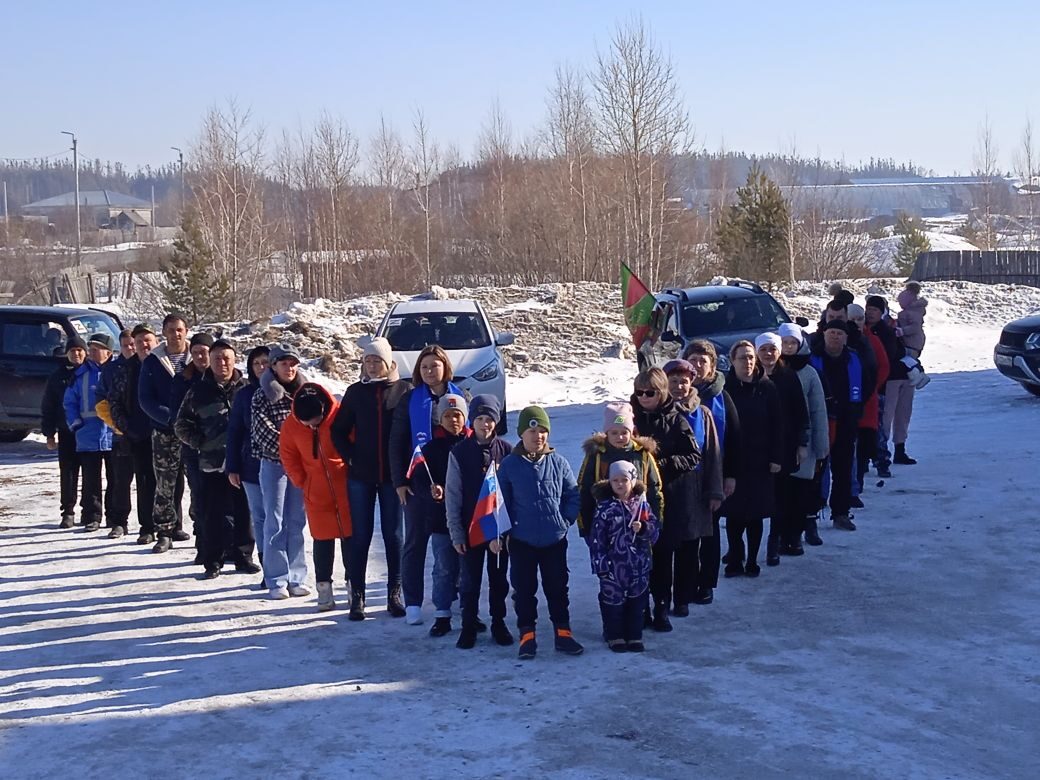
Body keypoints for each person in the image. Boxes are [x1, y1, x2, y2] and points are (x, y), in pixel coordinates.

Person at [331, 337, 410, 620]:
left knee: (394, 535)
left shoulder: (403, 390)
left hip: (392, 476)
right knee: (360, 535)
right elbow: (337, 430)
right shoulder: (355, 393)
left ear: (389, 362)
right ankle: (358, 595)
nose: (373, 365)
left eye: (378, 360)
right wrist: (350, 456)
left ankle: (395, 593)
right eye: (368, 360)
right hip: (361, 475)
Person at [497, 405, 582, 660]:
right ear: (522, 433)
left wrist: (564, 520)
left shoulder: (559, 462)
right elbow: (501, 502)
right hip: (522, 540)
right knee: (524, 589)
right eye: (533, 431)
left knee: (557, 587)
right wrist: (504, 532)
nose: (538, 437)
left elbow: (572, 495)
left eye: (543, 431)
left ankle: (563, 632)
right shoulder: (510, 465)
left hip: (554, 539)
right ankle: (527, 634)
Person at [389, 344, 463, 625]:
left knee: (452, 542)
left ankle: (451, 594)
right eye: (424, 367)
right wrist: (399, 481)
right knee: (415, 543)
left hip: (453, 484)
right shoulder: (410, 399)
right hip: (419, 482)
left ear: (445, 367)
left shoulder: (460, 396)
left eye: (435, 365)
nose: (430, 371)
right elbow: (396, 442)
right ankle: (413, 603)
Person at [175, 340, 260, 579]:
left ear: (235, 360)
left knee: (244, 512)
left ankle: (244, 557)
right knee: (212, 513)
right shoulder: (198, 391)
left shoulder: (245, 390)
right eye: (216, 359)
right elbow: (181, 424)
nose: (221, 363)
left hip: (243, 463)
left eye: (226, 358)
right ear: (209, 362)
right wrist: (200, 443)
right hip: (211, 463)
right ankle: (213, 560)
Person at [631, 367, 701, 630]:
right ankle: (640, 608)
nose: (644, 397)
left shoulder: (676, 420)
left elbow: (693, 455)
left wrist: (661, 464)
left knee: (662, 556)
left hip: (668, 497)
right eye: (640, 393)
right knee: (639, 556)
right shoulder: (630, 418)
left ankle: (662, 606)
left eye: (650, 393)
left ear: (661, 393)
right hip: (635, 498)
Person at [445, 394, 514, 649]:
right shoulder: (460, 453)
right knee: (470, 581)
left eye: (490, 419)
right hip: (469, 527)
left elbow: (511, 492)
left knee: (498, 580)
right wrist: (456, 532)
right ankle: (468, 624)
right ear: (471, 421)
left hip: (497, 528)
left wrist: (508, 532)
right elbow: (453, 494)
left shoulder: (506, 451)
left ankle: (499, 622)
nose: (485, 424)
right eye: (480, 418)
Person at [280, 383, 353, 611]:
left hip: (346, 487)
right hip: (316, 490)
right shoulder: (291, 425)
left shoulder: (340, 414)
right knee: (322, 540)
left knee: (351, 538)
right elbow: (288, 455)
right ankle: (324, 589)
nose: (311, 425)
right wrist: (303, 481)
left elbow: (355, 443)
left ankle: (354, 585)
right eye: (307, 423)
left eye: (315, 421)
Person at [660, 360, 724, 614]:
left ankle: (683, 597)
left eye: (684, 381)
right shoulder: (658, 412)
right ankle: (662, 597)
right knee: (665, 546)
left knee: (690, 546)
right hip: (665, 486)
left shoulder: (702, 413)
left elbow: (713, 455)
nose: (678, 386)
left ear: (692, 383)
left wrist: (714, 490)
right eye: (673, 381)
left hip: (694, 487)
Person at [408, 394, 472, 637]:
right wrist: (431, 491)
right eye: (447, 415)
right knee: (444, 568)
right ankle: (442, 614)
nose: (453, 420)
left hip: (469, 519)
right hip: (440, 519)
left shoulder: (472, 445)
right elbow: (420, 479)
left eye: (457, 415)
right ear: (440, 418)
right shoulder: (430, 449)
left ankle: (469, 611)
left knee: (469, 570)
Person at [252, 344, 310, 600]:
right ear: (273, 366)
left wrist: (303, 449)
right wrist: (291, 446)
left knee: (297, 521)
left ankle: (297, 577)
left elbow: (314, 426)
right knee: (274, 522)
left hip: (301, 466)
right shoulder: (261, 395)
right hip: (273, 464)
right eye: (284, 363)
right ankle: (276, 578)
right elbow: (263, 432)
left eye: (293, 363)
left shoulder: (306, 393)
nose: (290, 368)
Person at [721, 341, 782, 577]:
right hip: (734, 460)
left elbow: (778, 425)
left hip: (760, 460)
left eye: (750, 357)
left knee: (755, 514)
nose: (747, 362)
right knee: (735, 514)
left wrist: (776, 456)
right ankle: (736, 556)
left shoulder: (767, 388)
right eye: (741, 358)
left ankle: (753, 560)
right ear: (732, 361)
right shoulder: (725, 389)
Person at [590, 460, 660, 653]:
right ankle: (614, 635)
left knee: (637, 602)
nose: (620, 484)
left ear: (633, 480)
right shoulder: (605, 508)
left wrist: (644, 528)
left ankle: (634, 635)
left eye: (624, 480)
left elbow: (654, 533)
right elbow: (597, 539)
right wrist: (600, 564)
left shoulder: (642, 506)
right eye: (615, 480)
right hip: (613, 566)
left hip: (638, 566)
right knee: (613, 602)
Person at [138, 313, 193, 553]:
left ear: (186, 330)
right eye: (171, 330)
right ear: (164, 333)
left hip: (195, 432)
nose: (175, 334)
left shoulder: (198, 357)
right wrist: (170, 418)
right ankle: (164, 530)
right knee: (165, 483)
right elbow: (145, 398)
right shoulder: (153, 361)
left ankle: (202, 527)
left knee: (199, 483)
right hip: (165, 431)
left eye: (179, 329)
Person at [575, 400, 663, 548]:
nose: (619, 437)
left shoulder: (641, 455)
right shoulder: (597, 455)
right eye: (614, 432)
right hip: (606, 527)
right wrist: (586, 527)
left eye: (624, 432)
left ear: (631, 431)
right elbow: (584, 489)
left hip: (637, 525)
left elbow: (654, 488)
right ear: (606, 432)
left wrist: (655, 524)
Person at [755, 333, 809, 566]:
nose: (768, 354)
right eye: (764, 349)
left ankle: (775, 541)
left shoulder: (788, 377)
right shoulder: (749, 376)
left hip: (784, 445)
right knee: (754, 497)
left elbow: (801, 413)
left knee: (782, 496)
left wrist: (802, 443)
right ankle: (742, 548)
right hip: (755, 447)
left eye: (772, 349)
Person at [778, 323, 829, 550]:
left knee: (800, 492)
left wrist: (821, 444)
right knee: (781, 493)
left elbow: (818, 410)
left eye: (792, 343)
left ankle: (795, 536)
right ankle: (779, 536)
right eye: (784, 343)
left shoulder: (809, 373)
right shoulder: (771, 371)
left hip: (803, 442)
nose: (788, 347)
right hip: (778, 442)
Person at [810, 322, 865, 531]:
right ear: (824, 334)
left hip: (845, 421)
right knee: (816, 470)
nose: (835, 337)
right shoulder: (813, 359)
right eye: (831, 332)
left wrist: (854, 414)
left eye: (839, 333)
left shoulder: (853, 359)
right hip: (819, 421)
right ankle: (811, 513)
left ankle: (840, 512)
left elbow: (865, 386)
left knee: (843, 469)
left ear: (845, 337)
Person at [108, 324, 159, 544]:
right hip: (137, 434)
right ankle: (147, 527)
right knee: (144, 481)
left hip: (165, 432)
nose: (143, 345)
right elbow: (114, 402)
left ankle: (172, 525)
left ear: (155, 341)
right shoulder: (125, 369)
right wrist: (126, 427)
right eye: (138, 342)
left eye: (147, 340)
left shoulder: (164, 364)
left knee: (172, 482)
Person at [226, 345, 270, 585]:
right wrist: (232, 466)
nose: (262, 367)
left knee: (282, 519)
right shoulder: (244, 394)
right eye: (257, 363)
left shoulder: (286, 390)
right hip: (250, 467)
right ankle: (269, 570)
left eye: (266, 362)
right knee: (261, 519)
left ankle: (287, 571)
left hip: (283, 467)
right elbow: (234, 431)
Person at [63, 333, 115, 532]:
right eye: (91, 348)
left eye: (96, 349)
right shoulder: (81, 375)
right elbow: (70, 401)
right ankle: (92, 516)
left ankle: (114, 517)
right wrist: (75, 423)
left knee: (115, 480)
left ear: (108, 352)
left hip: (113, 435)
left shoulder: (116, 371)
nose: (91, 352)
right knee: (91, 480)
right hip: (88, 435)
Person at [170, 332, 213, 562]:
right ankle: (203, 544)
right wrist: (197, 440)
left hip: (221, 449)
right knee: (200, 495)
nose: (198, 357)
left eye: (203, 352)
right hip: (194, 448)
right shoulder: (183, 380)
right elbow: (178, 417)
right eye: (194, 353)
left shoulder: (220, 377)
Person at [42, 336, 86, 529]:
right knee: (68, 472)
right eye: (72, 351)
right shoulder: (57, 376)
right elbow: (48, 406)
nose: (76, 354)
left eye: (80, 350)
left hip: (89, 432)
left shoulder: (91, 373)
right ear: (67, 353)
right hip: (67, 431)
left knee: (92, 474)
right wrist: (49, 433)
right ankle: (67, 511)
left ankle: (91, 511)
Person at [848, 304, 890, 507]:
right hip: (844, 405)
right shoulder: (837, 339)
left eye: (859, 319)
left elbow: (883, 367)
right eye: (852, 319)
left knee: (863, 446)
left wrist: (872, 388)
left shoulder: (872, 341)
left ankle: (857, 485)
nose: (856, 323)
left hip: (867, 402)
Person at [95, 329, 135, 538]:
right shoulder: (111, 370)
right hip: (121, 434)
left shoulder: (148, 365)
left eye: (133, 344)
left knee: (152, 482)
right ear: (120, 347)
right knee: (120, 481)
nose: (131, 348)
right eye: (127, 345)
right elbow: (101, 402)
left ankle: (158, 524)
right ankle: (119, 521)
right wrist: (117, 424)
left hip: (146, 434)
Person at [865, 295, 901, 478]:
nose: (870, 313)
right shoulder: (860, 330)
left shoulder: (886, 332)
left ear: (881, 313)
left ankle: (882, 461)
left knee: (877, 426)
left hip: (878, 387)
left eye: (875, 310)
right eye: (869, 309)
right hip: (860, 388)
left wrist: (876, 383)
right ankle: (863, 461)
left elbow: (888, 360)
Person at [897, 281, 928, 359]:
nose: (900, 304)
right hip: (910, 343)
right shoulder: (909, 311)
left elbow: (915, 326)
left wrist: (902, 331)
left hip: (912, 344)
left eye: (901, 302)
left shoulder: (913, 312)